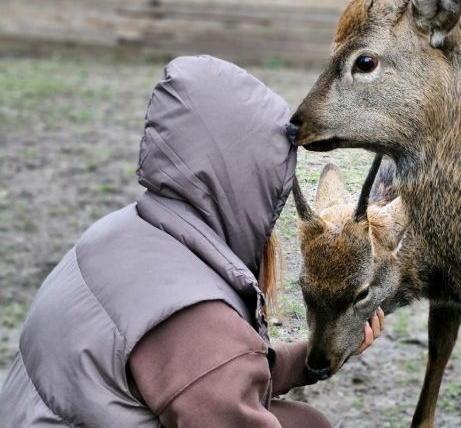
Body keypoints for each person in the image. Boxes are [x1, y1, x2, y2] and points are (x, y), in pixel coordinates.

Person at [0, 55, 384, 427]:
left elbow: (208, 370)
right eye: (274, 189)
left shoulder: (118, 234)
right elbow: (207, 364)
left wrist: (309, 360)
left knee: (303, 422)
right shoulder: (195, 317)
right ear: (247, 185)